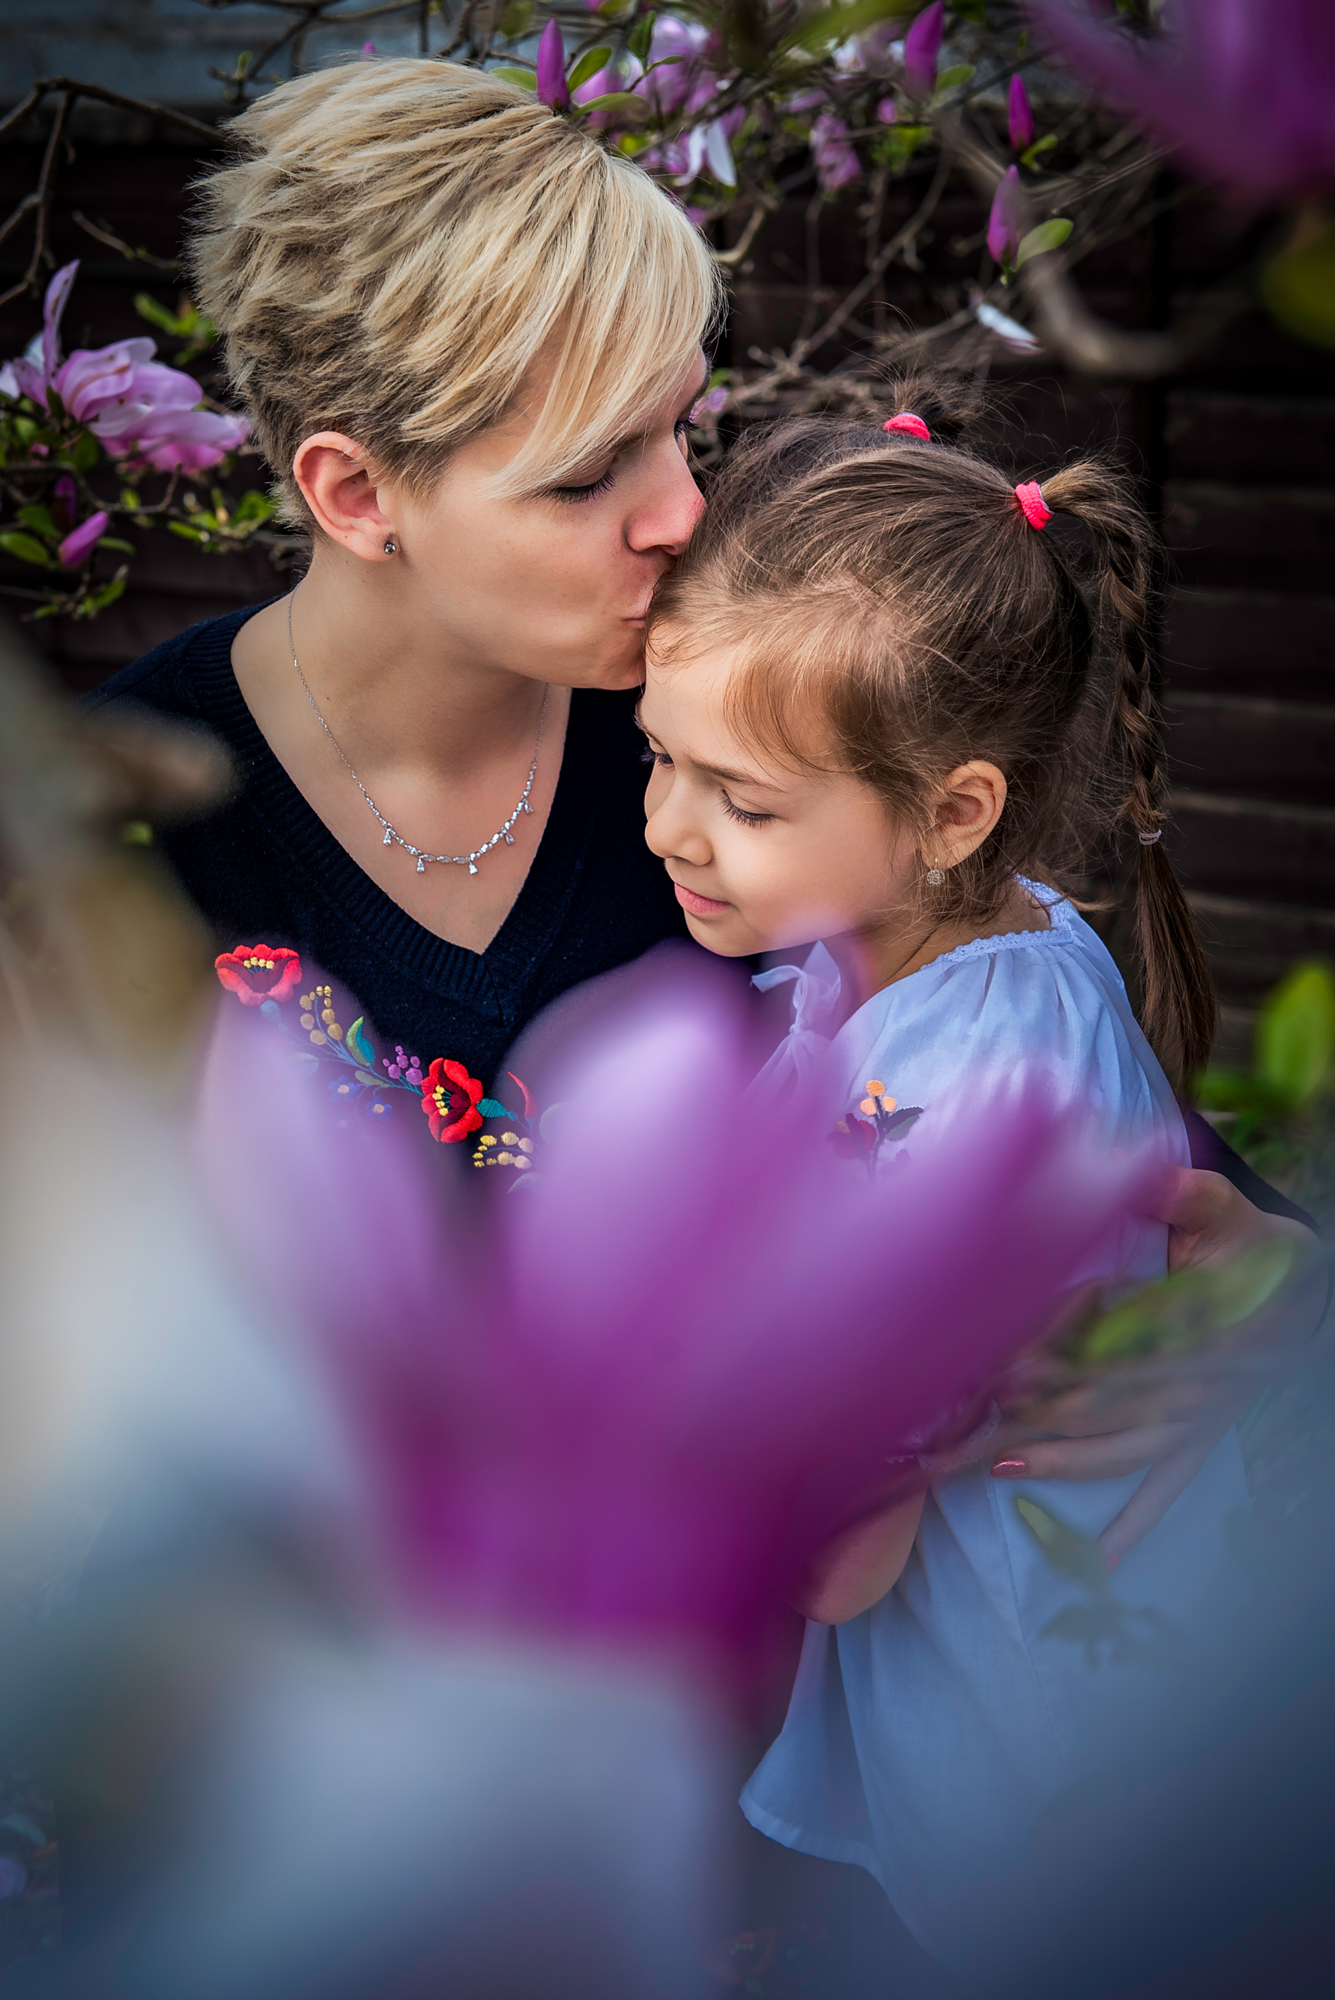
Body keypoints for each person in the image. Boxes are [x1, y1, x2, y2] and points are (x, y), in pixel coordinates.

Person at [82, 57, 1306, 1552]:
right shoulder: (107, 837)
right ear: (355, 495)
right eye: (590, 475)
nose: (682, 514)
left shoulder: (735, 749)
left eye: (683, 428)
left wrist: (1262, 1283)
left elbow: (1046, 1073)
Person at [634, 405, 1276, 1961]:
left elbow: (845, 1562)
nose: (669, 829)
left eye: (746, 802)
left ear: (953, 811)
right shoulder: (1013, 930)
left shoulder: (943, 1115)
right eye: (660, 757)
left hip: (1042, 1735)